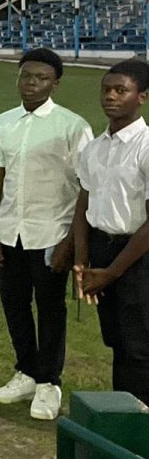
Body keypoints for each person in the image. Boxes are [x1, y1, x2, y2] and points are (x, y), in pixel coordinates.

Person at [0, 49, 91, 420]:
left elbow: (85, 187)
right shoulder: (3, 123)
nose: (31, 84)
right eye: (26, 76)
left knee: (49, 308)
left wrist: (71, 241)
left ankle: (49, 382)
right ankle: (26, 371)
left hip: (51, 232)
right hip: (11, 230)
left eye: (41, 78)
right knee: (13, 303)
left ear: (55, 84)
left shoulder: (72, 126)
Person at [73, 59, 149, 407]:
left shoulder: (145, 146)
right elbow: (84, 204)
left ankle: (138, 426)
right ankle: (124, 414)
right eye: (106, 89)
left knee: (139, 346)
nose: (111, 97)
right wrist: (82, 258)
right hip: (102, 254)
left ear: (142, 97)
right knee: (117, 340)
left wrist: (112, 272)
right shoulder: (95, 147)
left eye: (122, 90)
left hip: (135, 256)